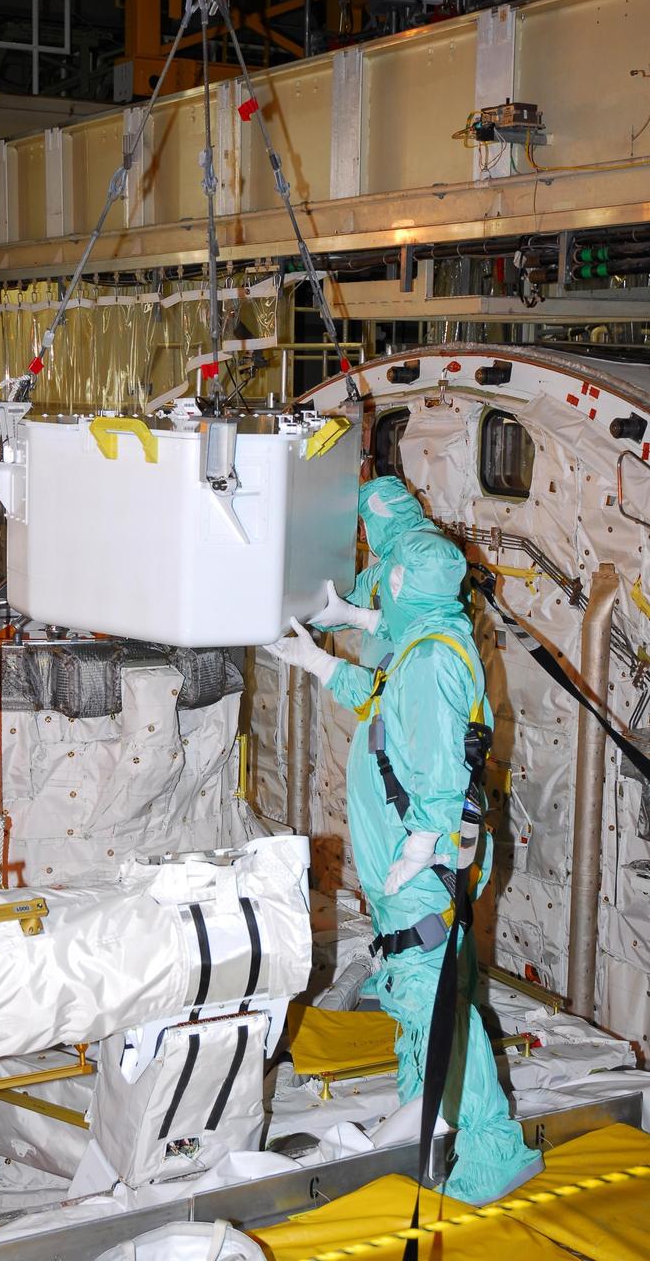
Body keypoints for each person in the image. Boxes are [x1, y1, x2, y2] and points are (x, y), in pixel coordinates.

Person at [265, 476, 541, 1204]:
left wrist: (421, 845)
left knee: (431, 995)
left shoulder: (431, 660)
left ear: (397, 582)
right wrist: (325, 663)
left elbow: (441, 764)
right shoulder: (430, 642)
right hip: (427, 861)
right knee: (424, 992)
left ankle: (489, 1150)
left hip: (424, 864)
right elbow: (387, 709)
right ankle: (430, 1112)